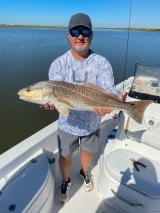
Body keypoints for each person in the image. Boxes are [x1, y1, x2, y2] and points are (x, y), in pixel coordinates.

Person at [44, 13, 118, 204]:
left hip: (92, 122)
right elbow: (55, 96)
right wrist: (50, 101)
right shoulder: (58, 64)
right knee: (65, 154)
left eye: (85, 31)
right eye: (75, 31)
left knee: (87, 152)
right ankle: (66, 181)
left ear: (91, 35)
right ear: (68, 35)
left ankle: (84, 173)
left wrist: (110, 104)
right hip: (66, 123)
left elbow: (110, 90)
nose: (80, 36)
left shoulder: (102, 63)